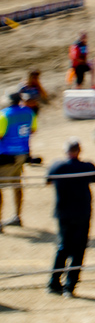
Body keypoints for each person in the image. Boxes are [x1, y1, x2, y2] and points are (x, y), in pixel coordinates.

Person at [46, 137, 95, 296]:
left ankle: (54, 281)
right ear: (79, 151)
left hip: (64, 212)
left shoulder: (57, 166)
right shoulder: (88, 166)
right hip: (82, 211)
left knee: (63, 247)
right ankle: (70, 285)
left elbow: (48, 180)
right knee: (79, 249)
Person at [0, 91, 37, 227]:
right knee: (16, 184)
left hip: (5, 155)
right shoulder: (29, 112)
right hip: (22, 153)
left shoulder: (4, 114)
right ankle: (17, 216)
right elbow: (32, 130)